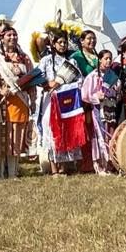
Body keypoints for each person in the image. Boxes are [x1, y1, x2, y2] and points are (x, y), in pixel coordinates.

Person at [0, 26, 36, 179]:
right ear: (1, 38)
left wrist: (32, 100)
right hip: (0, 103)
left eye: (15, 34)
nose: (12, 37)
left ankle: (13, 172)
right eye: (9, 35)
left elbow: (31, 79)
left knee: (16, 136)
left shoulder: (25, 57)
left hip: (19, 102)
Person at [36, 30, 84, 175]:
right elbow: (37, 77)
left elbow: (79, 80)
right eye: (60, 42)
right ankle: (54, 169)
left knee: (66, 130)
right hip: (50, 102)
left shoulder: (72, 61)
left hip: (67, 101)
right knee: (52, 131)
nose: (63, 45)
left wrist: (65, 85)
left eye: (65, 42)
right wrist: (48, 84)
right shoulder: (46, 61)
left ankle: (64, 167)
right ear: (53, 44)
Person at [80, 49, 121, 173]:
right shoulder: (93, 76)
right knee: (100, 136)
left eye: (110, 58)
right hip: (98, 110)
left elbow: (118, 92)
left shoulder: (114, 77)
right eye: (106, 58)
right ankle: (100, 166)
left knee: (111, 134)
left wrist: (116, 94)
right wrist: (96, 97)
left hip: (111, 109)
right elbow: (85, 95)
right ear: (99, 59)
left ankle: (110, 164)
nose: (108, 61)